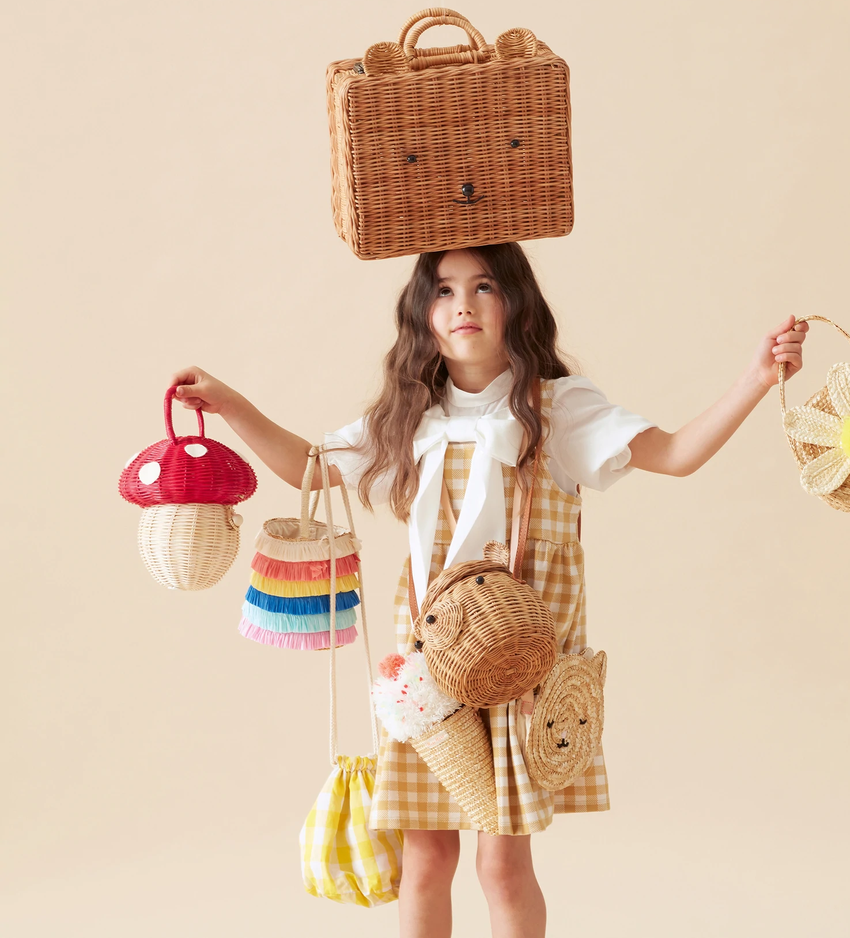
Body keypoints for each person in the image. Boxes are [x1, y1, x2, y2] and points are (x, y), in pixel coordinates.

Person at [170, 242, 807, 938]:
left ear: (516, 303)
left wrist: (757, 377)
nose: (463, 305)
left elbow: (677, 454)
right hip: (429, 668)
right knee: (426, 857)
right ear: (423, 313)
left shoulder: (558, 410)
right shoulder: (408, 417)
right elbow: (311, 469)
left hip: (517, 667)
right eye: (444, 291)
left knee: (502, 866)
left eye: (484, 287)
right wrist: (229, 404)